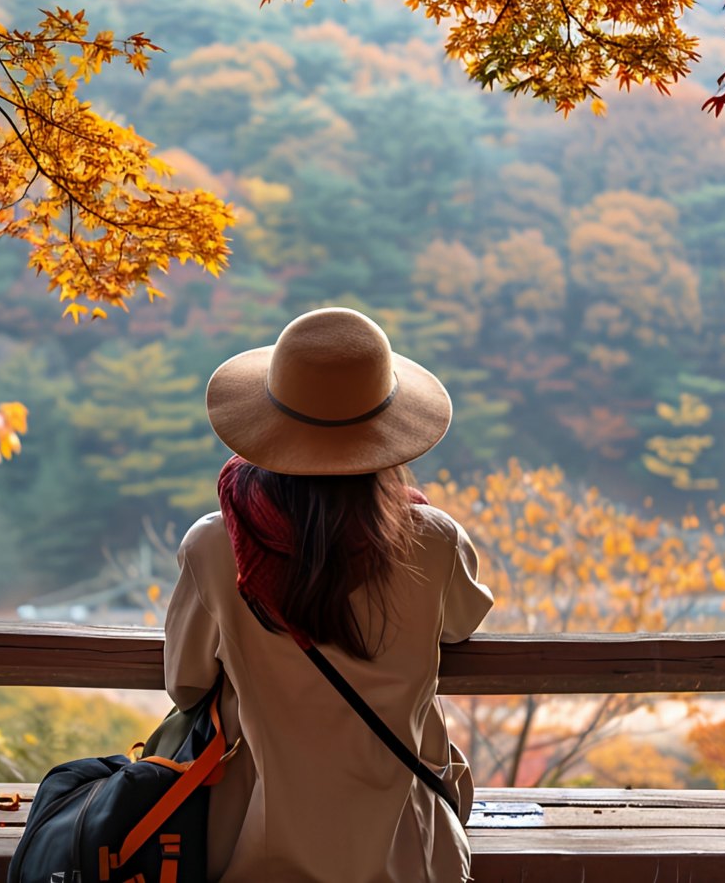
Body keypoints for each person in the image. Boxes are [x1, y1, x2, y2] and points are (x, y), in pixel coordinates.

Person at [164, 307, 494, 882]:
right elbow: (462, 624)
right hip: (410, 851)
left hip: (257, 845)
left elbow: (186, 680)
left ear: (268, 425)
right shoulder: (435, 541)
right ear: (388, 432)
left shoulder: (214, 545)